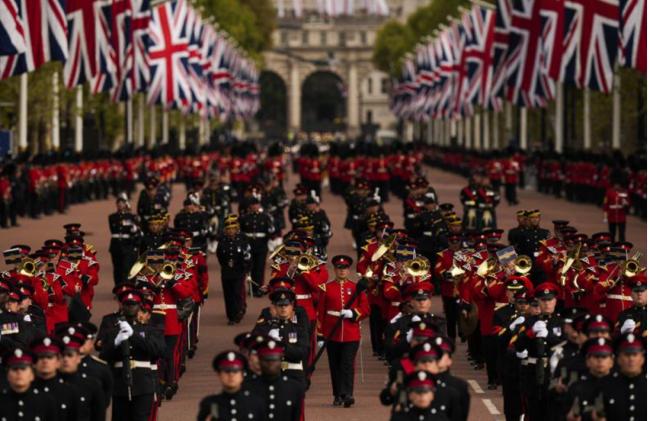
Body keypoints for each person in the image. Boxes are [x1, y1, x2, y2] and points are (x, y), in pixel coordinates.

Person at [99, 290, 166, 421]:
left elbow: (159, 351)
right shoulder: (113, 332)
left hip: (143, 383)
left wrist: (133, 335)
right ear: (122, 307)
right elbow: (104, 356)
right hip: (120, 383)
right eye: (127, 304)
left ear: (140, 306)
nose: (130, 307)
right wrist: (116, 342)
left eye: (133, 304)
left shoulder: (150, 330)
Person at [317, 254, 370, 407]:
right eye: (339, 268)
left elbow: (366, 309)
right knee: (335, 365)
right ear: (335, 269)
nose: (342, 271)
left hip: (350, 333)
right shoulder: (326, 288)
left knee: (347, 364)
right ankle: (337, 394)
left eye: (345, 268)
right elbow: (320, 313)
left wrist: (353, 313)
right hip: (331, 333)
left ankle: (347, 394)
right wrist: (320, 335)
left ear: (348, 270)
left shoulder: (356, 288)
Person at [252, 285, 310, 389]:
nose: (283, 308)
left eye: (286, 305)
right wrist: (270, 325)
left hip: (293, 375)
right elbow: (254, 343)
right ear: (274, 307)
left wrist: (279, 347)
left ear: (292, 306)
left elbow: (302, 352)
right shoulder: (266, 325)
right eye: (280, 305)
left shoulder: (298, 326)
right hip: (270, 374)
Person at [246, 338, 305, 421]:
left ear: (281, 360)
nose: (271, 363)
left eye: (274, 359)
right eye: (267, 360)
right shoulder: (248, 387)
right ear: (260, 361)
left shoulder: (294, 388)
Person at [196, 351, 265, 421]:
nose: (231, 375)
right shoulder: (212, 405)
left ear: (242, 375)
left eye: (235, 371)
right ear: (219, 375)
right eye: (226, 371)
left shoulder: (254, 403)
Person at [57, 331, 106, 421]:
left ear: (78, 358)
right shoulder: (48, 385)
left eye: (70, 355)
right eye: (62, 355)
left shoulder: (91, 385)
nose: (66, 359)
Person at [0, 346, 58, 421]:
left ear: (32, 375)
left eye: (23, 369)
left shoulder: (46, 402)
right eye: (14, 369)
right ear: (7, 375)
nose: (19, 372)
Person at [30, 335, 81, 421]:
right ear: (33, 363)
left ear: (58, 361)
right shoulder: (26, 391)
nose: (45, 361)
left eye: (50, 357)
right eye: (41, 357)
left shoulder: (70, 392)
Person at [216, 214, 252, 325]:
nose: (230, 231)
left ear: (236, 230)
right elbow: (220, 256)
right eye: (228, 229)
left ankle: (238, 312)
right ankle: (231, 316)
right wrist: (226, 265)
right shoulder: (222, 243)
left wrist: (246, 269)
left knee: (237, 293)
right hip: (226, 272)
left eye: (233, 229)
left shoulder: (242, 242)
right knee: (228, 295)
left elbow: (247, 256)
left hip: (239, 271)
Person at [239, 196, 275, 297]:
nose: (255, 206)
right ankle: (251, 288)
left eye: (256, 204)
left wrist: (270, 234)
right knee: (250, 267)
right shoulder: (244, 217)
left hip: (261, 245)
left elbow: (270, 231)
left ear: (259, 205)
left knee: (260, 268)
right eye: (253, 205)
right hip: (249, 245)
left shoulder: (265, 217)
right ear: (250, 206)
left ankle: (258, 288)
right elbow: (241, 232)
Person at [108, 193, 141, 285]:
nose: (120, 205)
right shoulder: (112, 217)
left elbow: (135, 231)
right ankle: (118, 287)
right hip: (115, 245)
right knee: (117, 268)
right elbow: (113, 230)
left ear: (126, 204)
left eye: (122, 203)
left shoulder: (132, 217)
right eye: (118, 203)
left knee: (126, 267)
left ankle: (126, 286)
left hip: (127, 245)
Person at [603, 172, 630, 242]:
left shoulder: (624, 192)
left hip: (621, 216)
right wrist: (605, 216)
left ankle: (622, 245)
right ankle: (612, 245)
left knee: (621, 233)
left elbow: (628, 203)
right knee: (612, 233)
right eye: (615, 185)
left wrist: (626, 203)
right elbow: (606, 205)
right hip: (611, 216)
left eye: (618, 185)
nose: (617, 186)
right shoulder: (609, 192)